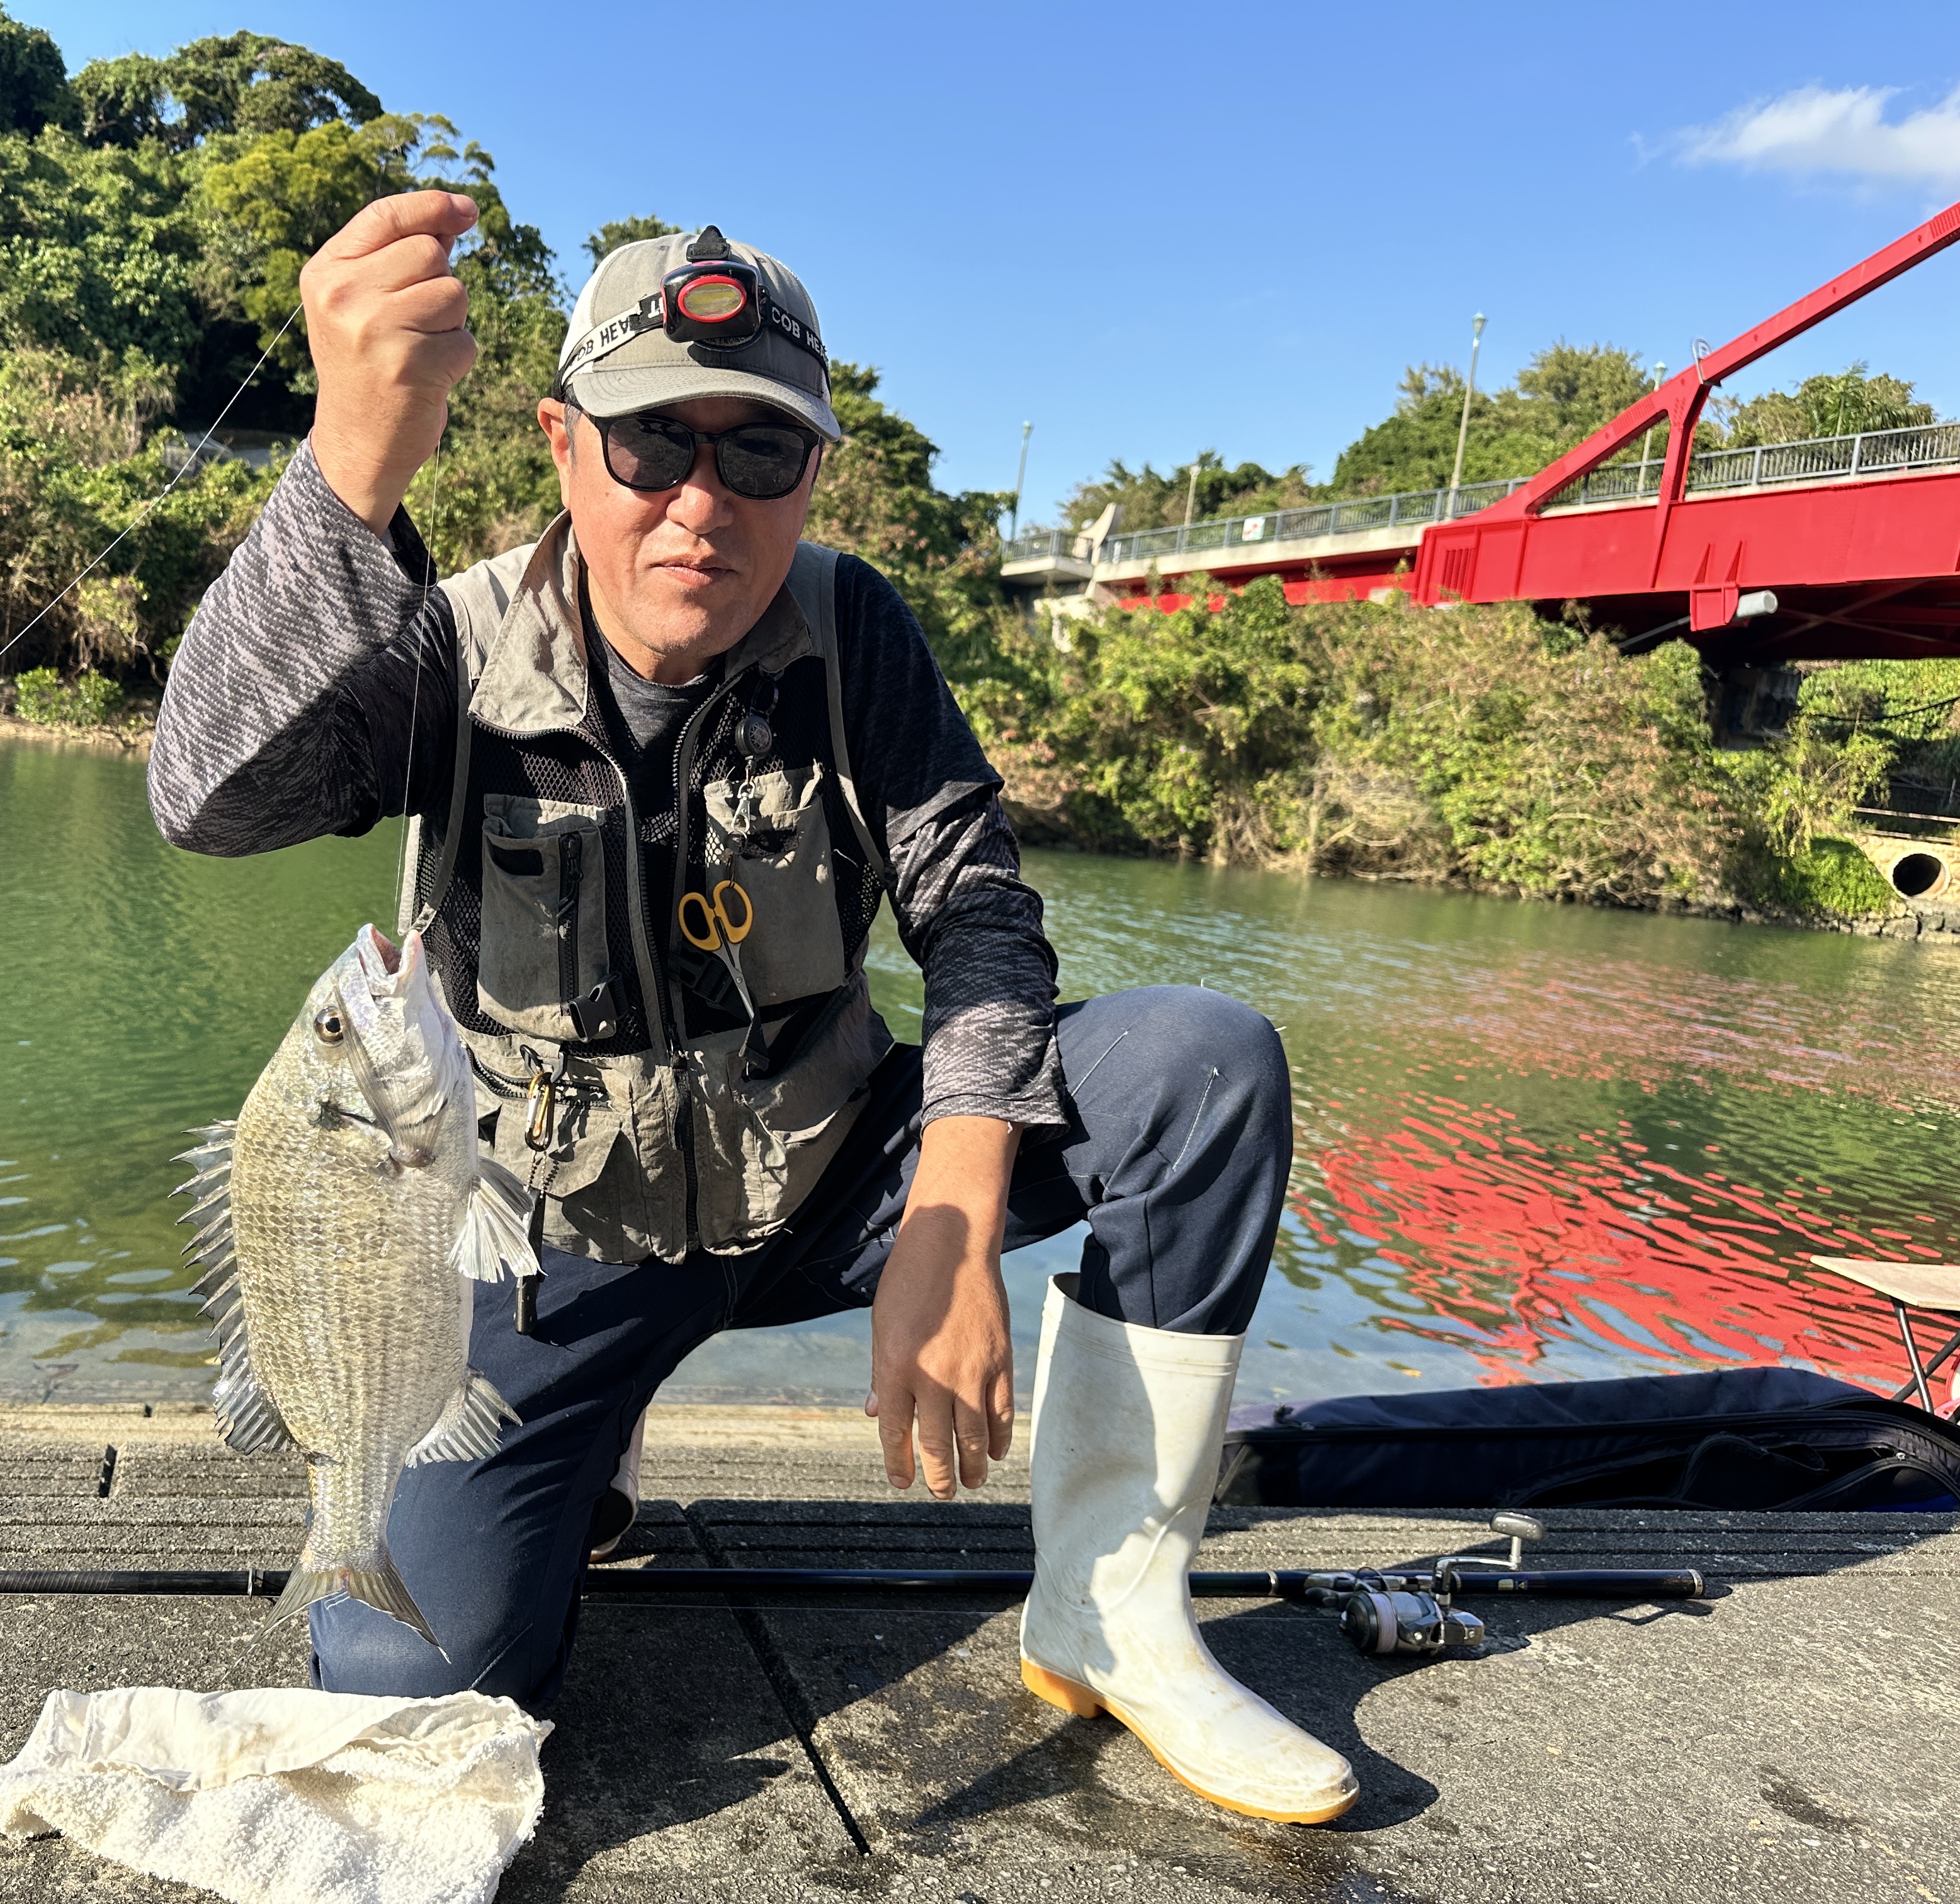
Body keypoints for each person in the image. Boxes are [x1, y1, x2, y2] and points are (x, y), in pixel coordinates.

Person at [148, 191, 1357, 1825]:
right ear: (566, 449)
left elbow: (982, 921)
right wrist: (348, 470)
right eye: (651, 446)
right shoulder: (449, 647)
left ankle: (1113, 1610)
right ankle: (588, 1440)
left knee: (1203, 1066)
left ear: (813, 477)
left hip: (823, 1175)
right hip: (547, 1237)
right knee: (404, 1695)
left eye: (757, 454)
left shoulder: (856, 637)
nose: (698, 503)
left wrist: (953, 1193)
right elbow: (205, 797)